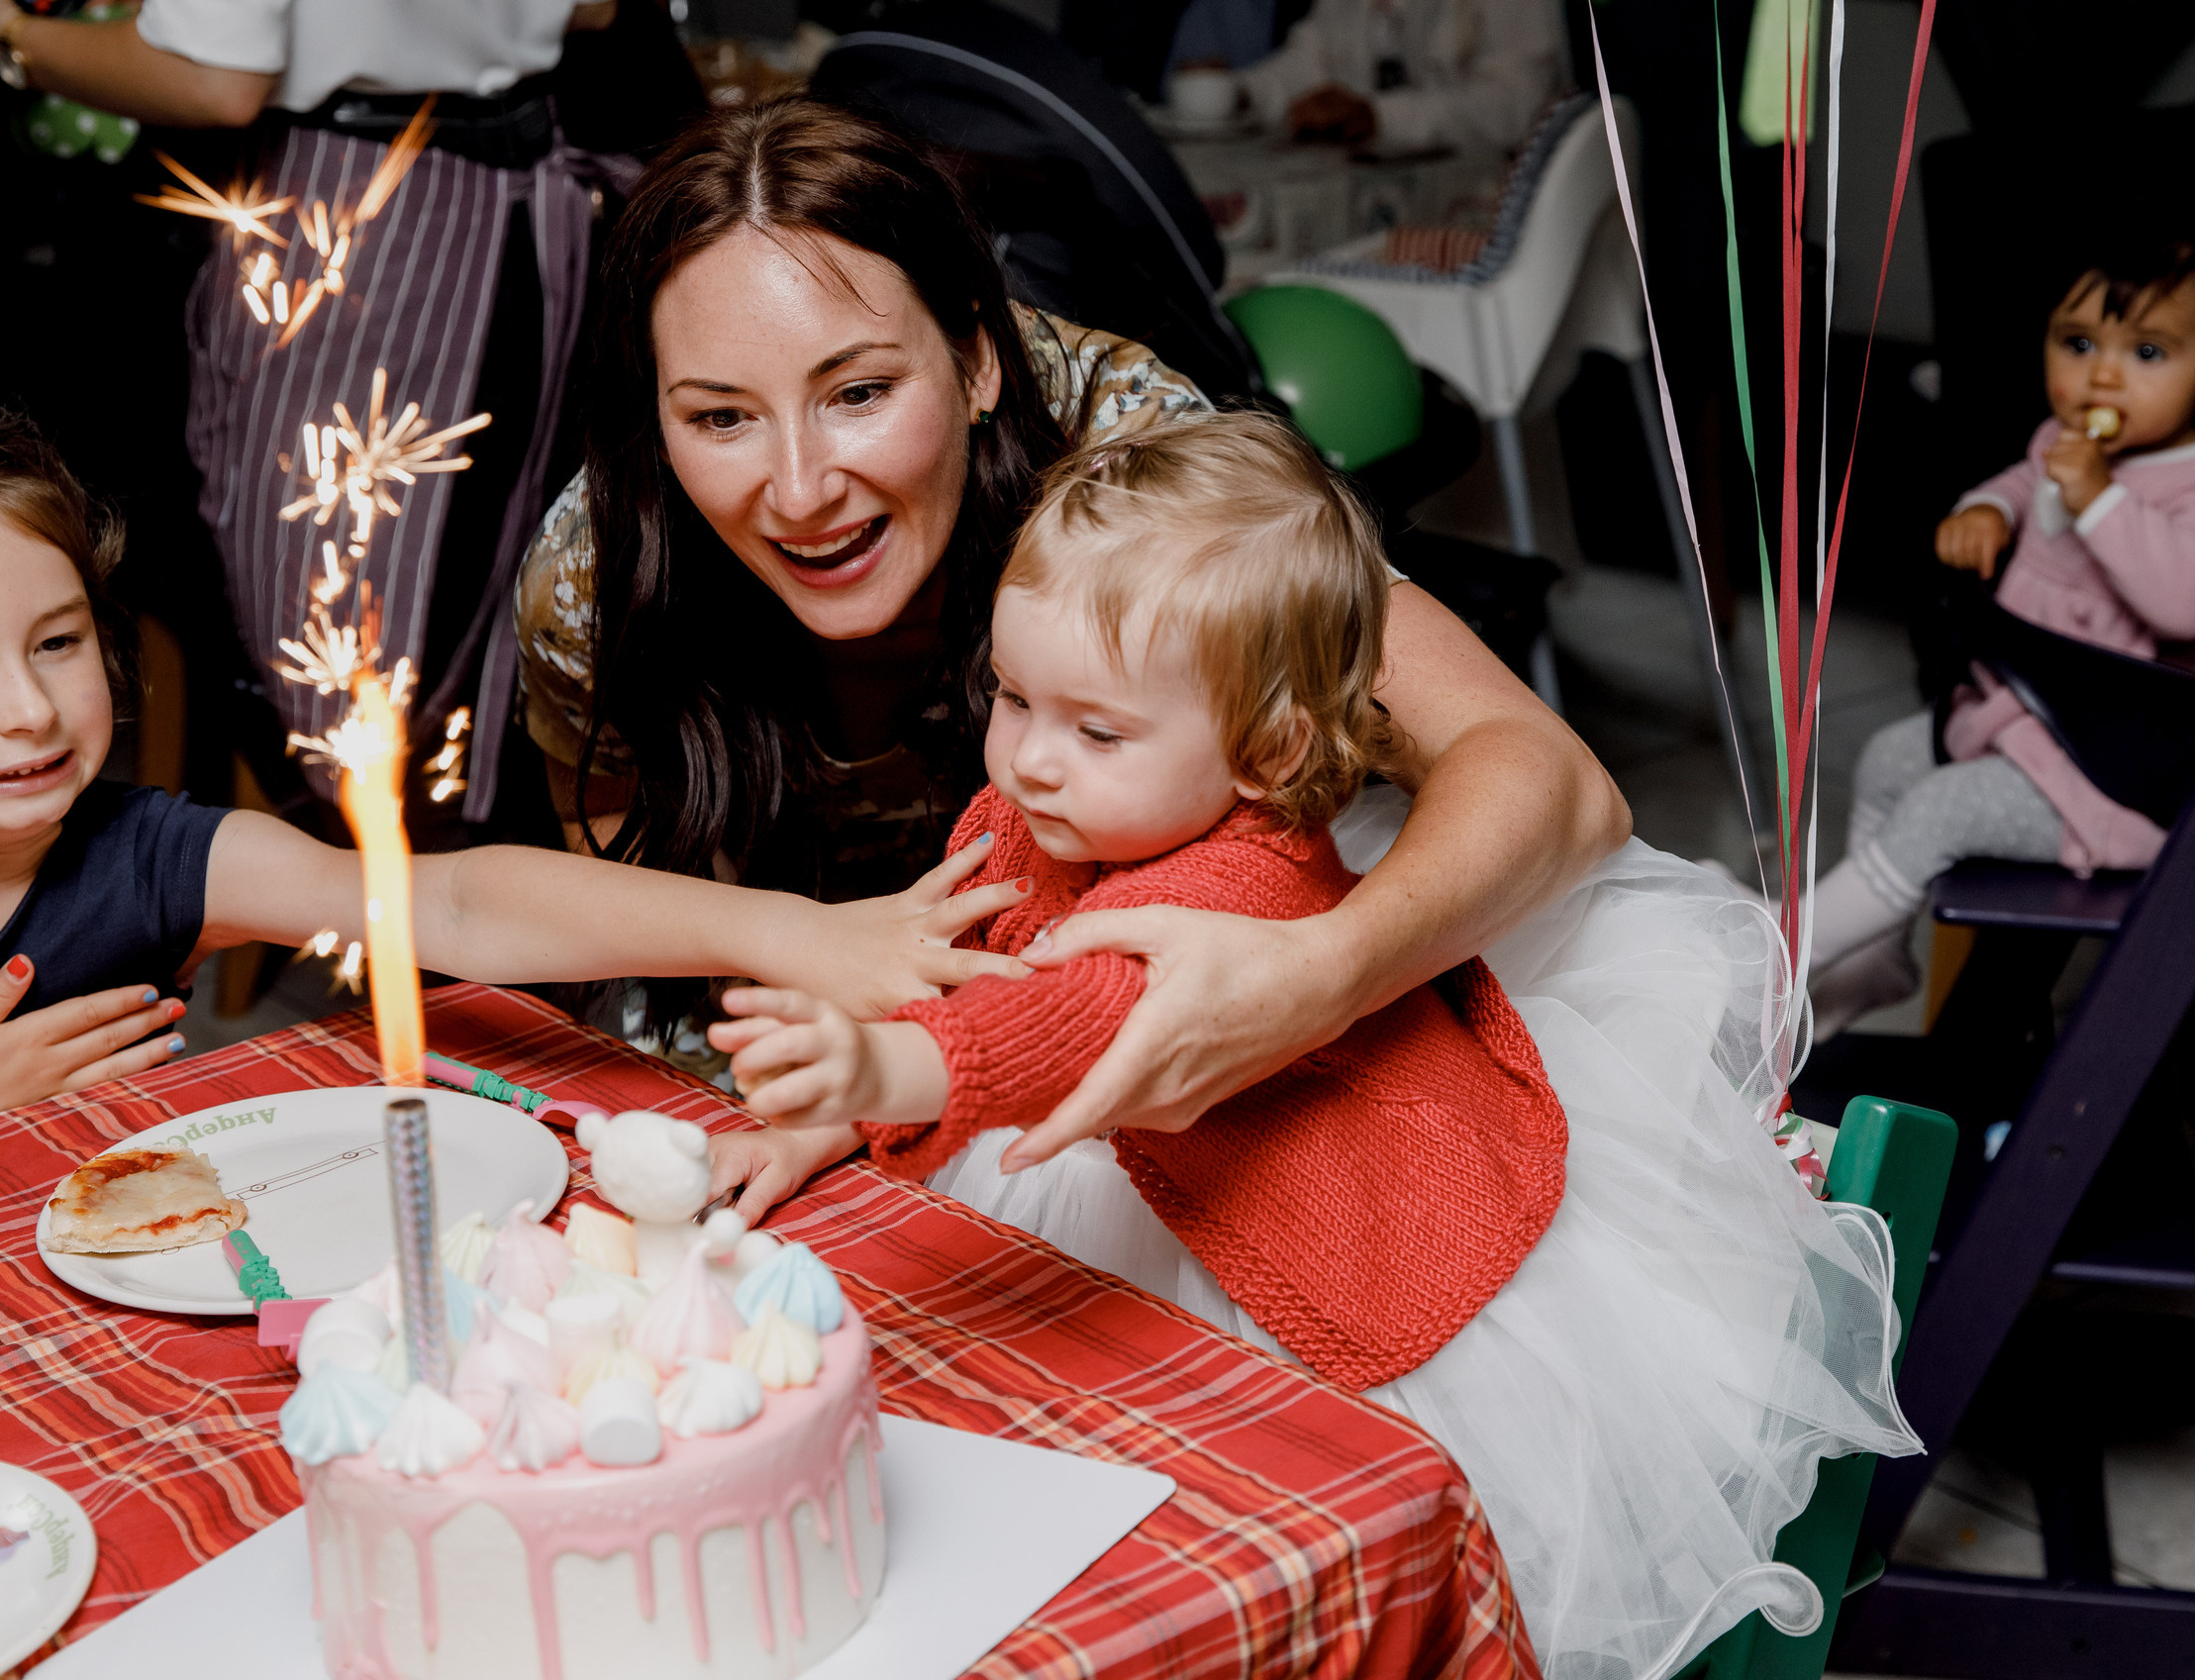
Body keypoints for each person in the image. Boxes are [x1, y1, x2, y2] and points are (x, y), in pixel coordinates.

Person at [699, 412, 1920, 1680]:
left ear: (1266, 750)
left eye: (1096, 731)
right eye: (1013, 698)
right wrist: (827, 1115)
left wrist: (884, 1073)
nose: (1033, 760)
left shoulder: (1242, 886)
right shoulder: (1040, 812)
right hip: (1118, 1170)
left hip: (1313, 1244)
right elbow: (972, 963)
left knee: (1222, 1526)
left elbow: (1060, 1023)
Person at [518, 97, 1627, 1155]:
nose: (802, 491)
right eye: (720, 416)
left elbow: (1553, 779)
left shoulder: (1123, 455)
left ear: (976, 360)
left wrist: (1325, 972)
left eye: (859, 393)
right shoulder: (600, 574)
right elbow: (626, 858)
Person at [0, 404, 1027, 1206]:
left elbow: (457, 900)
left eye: (58, 642)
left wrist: (797, 931)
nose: (28, 707)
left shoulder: (149, 856)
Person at [0, 0, 703, 833]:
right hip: (511, 205)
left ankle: (378, 876)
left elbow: (215, 79)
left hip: (360, 222)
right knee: (449, 616)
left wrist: (4, 38)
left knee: (336, 650)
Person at [1812, 238, 2195, 1035]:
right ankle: (1872, 959)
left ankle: (1777, 959)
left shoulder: (2181, 484)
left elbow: (2178, 601)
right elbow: (2026, 481)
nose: (2103, 376)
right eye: (2078, 343)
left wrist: (2100, 499)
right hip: (2022, 721)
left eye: (2148, 352)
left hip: (2114, 777)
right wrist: (1989, 509)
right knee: (1887, 757)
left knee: (1940, 810)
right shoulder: (2064, 443)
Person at [1182, 0, 1565, 152]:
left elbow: (1516, 105)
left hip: (1506, 227)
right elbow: (1311, 60)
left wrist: (1380, 118)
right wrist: (1239, 92)